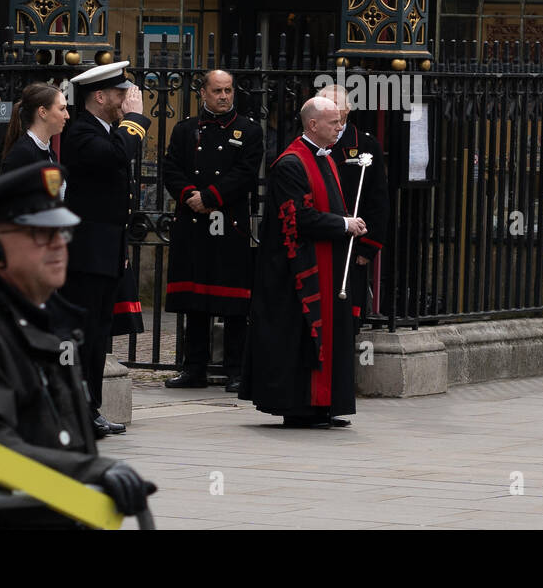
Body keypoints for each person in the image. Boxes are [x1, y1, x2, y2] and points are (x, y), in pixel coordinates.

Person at [0, 163, 151, 528]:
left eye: (62, 233)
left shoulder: (40, 321)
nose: (58, 245)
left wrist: (88, 506)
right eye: (40, 234)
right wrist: (90, 474)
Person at [240, 96, 367, 428]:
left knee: (332, 334)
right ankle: (300, 407)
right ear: (313, 124)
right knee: (299, 339)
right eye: (334, 122)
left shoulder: (324, 158)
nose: (341, 128)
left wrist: (348, 222)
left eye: (341, 122)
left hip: (328, 262)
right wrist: (343, 224)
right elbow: (298, 218)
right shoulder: (291, 163)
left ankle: (324, 404)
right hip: (298, 272)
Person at [60, 60, 151, 438]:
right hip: (85, 254)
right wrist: (137, 119)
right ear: (99, 96)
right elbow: (117, 155)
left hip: (105, 251)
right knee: (84, 335)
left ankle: (90, 408)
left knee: (98, 336)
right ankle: (77, 410)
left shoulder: (104, 130)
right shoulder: (82, 132)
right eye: (118, 94)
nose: (123, 100)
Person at [162, 70, 263, 392]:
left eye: (228, 90)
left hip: (229, 223)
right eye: (217, 90)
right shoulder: (185, 129)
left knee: (234, 303)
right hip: (192, 223)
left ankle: (236, 369)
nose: (224, 96)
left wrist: (211, 198)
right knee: (195, 302)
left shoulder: (249, 130)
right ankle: (194, 368)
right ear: (203, 92)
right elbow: (171, 168)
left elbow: (245, 174)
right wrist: (191, 196)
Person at [318, 84, 389, 325]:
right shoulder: (310, 142)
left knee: (345, 318)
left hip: (351, 244)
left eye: (337, 104)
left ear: (348, 109)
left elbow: (377, 200)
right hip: (316, 238)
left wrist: (368, 247)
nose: (332, 110)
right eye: (325, 104)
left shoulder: (367, 146)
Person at [0, 82, 68, 173]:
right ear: (43, 112)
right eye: (62, 109)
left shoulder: (49, 152)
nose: (67, 115)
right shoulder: (22, 154)